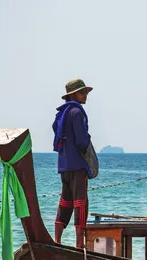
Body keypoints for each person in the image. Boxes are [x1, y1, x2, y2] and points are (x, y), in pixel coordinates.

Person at [52, 79, 94, 248]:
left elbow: (56, 131)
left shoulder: (61, 113)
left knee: (65, 201)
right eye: (83, 93)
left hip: (64, 164)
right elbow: (82, 140)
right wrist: (86, 144)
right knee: (81, 203)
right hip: (77, 164)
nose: (86, 96)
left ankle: (57, 240)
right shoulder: (77, 112)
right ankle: (79, 244)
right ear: (74, 95)